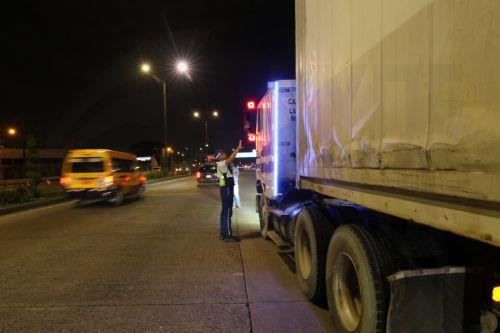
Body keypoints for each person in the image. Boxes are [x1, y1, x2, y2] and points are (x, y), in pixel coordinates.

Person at [215, 140, 243, 242]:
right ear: (219, 156)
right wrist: (238, 149)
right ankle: (228, 235)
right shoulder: (221, 164)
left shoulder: (222, 164)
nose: (225, 154)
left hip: (226, 188)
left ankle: (223, 233)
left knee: (225, 212)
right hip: (226, 189)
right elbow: (231, 158)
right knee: (227, 212)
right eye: (222, 153)